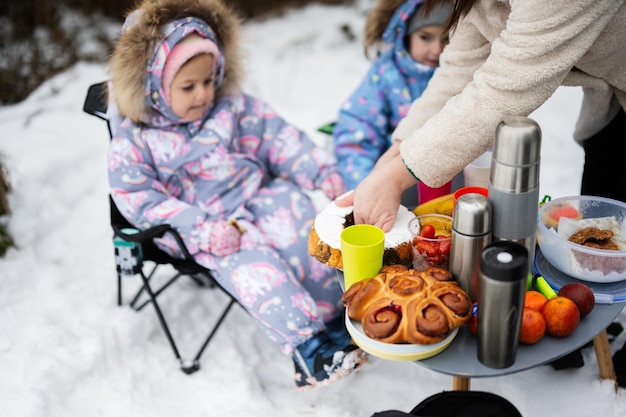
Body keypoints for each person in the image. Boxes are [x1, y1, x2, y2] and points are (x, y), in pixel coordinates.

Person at [338, 0, 626, 381]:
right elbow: (458, 73)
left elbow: (507, 87)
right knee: (601, 250)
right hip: (613, 108)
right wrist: (391, 158)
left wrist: (396, 177)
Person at [106, 0, 367, 390]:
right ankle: (310, 349)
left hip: (259, 192)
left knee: (304, 236)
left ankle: (338, 321)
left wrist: (321, 171)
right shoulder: (136, 141)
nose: (203, 94)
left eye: (210, 80)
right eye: (188, 86)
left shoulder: (234, 109)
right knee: (258, 270)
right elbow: (142, 201)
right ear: (152, 86)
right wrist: (201, 231)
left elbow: (279, 140)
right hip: (208, 225)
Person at [332, 0, 452, 207]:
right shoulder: (387, 74)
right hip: (395, 178)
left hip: (450, 182)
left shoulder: (461, 76)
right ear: (405, 33)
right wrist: (364, 184)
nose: (436, 49)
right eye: (425, 37)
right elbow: (358, 129)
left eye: (446, 40)